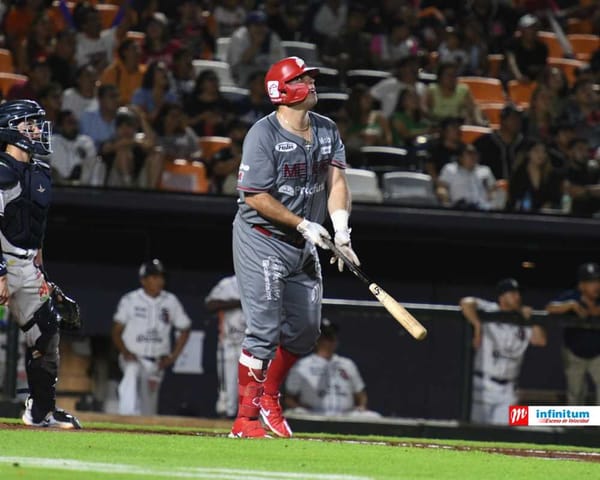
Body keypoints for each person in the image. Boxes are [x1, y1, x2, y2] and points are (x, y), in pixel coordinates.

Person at [230, 56, 359, 438]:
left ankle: (269, 394)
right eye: (303, 78)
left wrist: (340, 230)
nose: (311, 83)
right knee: (264, 332)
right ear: (282, 90)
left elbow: (337, 182)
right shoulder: (262, 134)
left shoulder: (326, 129)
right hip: (262, 239)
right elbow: (254, 196)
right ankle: (245, 420)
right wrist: (304, 224)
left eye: (311, 78)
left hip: (305, 242)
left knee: (305, 333)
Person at [0, 99, 81, 428]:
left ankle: (40, 412)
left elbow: (37, 234)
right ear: (10, 128)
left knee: (47, 332)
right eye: (29, 124)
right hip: (2, 259)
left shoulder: (41, 173)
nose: (37, 130)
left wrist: (43, 274)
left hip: (26, 265)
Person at [460, 278, 547, 425]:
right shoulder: (489, 310)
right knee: (475, 433)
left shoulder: (524, 320)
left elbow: (541, 341)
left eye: (518, 293)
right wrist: (477, 325)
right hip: (483, 384)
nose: (517, 297)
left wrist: (532, 320)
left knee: (503, 436)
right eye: (512, 293)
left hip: (508, 389)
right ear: (501, 297)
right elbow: (466, 303)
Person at [111, 259, 192, 416]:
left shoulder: (171, 301)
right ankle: (125, 419)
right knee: (131, 373)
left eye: (161, 277)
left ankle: (142, 430)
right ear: (143, 280)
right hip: (134, 357)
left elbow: (185, 328)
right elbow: (116, 330)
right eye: (154, 277)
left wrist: (173, 357)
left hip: (156, 362)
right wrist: (124, 351)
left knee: (148, 409)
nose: (159, 281)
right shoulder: (130, 300)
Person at [284, 318, 380, 417]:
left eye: (332, 337)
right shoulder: (302, 365)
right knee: (294, 413)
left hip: (345, 415)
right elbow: (289, 398)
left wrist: (362, 406)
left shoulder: (347, 364)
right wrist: (299, 407)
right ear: (317, 340)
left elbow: (360, 394)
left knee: (373, 416)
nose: (330, 341)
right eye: (326, 337)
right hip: (314, 414)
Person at [545, 262, 600, 405]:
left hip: (598, 356)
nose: (596, 285)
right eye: (591, 282)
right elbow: (550, 308)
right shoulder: (572, 296)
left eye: (598, 281)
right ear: (581, 285)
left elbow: (593, 312)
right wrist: (571, 305)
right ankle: (575, 427)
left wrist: (592, 311)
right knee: (576, 395)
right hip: (574, 355)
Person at [205, 274, 246, 418]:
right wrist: (240, 302)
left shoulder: (261, 280)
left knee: (253, 385)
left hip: (251, 343)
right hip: (228, 342)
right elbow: (210, 305)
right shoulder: (227, 284)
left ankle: (251, 419)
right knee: (227, 388)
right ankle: (226, 419)